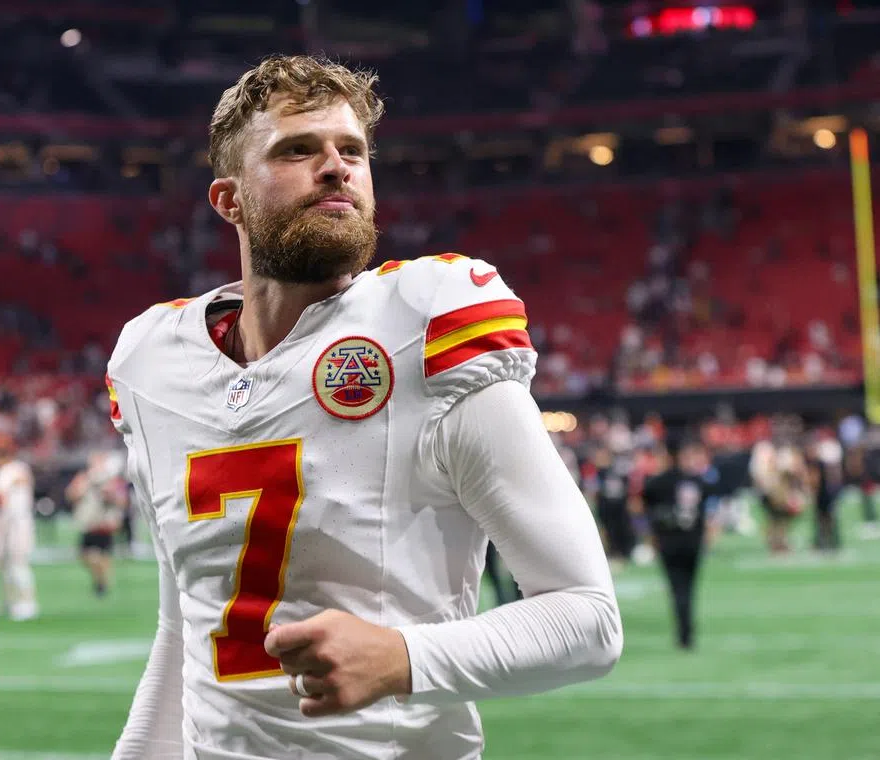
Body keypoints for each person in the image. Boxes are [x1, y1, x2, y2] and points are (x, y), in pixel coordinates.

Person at [106, 55, 622, 760]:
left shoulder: (424, 325)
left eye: (351, 150)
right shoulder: (153, 363)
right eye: (297, 150)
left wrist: (403, 658)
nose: (335, 168)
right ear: (228, 200)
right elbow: (185, 632)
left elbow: (589, 620)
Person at [641, 438, 717, 650]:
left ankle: (683, 634)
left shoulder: (657, 482)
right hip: (692, 541)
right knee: (689, 588)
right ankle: (687, 632)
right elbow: (708, 506)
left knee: (677, 589)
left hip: (669, 542)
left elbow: (644, 508)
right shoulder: (696, 481)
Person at [0, 438, 39, 621]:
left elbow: (2, 502)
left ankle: (25, 603)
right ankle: (13, 601)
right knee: (10, 564)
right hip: (22, 519)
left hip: (12, 522)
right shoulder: (21, 468)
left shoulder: (3, 473)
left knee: (14, 564)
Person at [66, 452, 127, 597]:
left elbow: (123, 502)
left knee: (103, 555)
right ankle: (101, 579)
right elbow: (71, 495)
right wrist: (82, 488)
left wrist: (110, 495)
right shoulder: (84, 478)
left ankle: (102, 584)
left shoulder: (112, 480)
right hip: (88, 522)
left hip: (104, 522)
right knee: (85, 555)